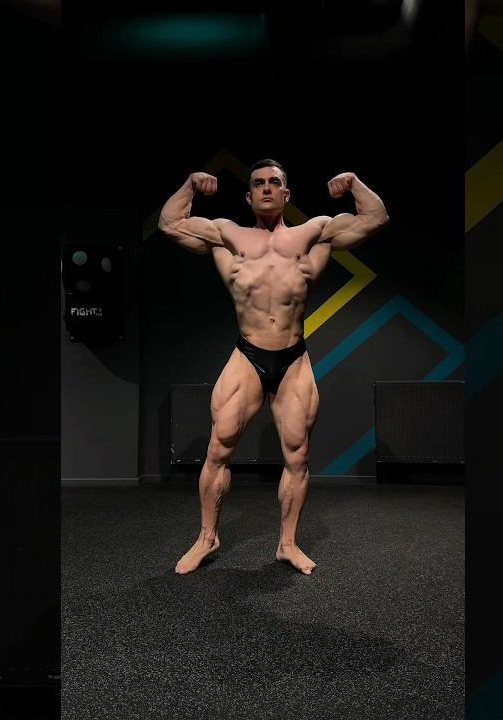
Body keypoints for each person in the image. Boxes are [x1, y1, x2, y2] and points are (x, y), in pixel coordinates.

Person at [156, 159, 388, 575]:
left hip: (293, 358)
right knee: (218, 448)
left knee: (297, 455)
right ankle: (207, 538)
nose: (266, 188)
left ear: (286, 193)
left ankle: (288, 544)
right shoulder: (227, 235)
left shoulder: (313, 233)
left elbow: (375, 218)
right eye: (259, 183)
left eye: (274, 182)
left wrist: (354, 183)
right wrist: (190, 184)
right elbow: (170, 224)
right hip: (247, 354)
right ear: (248, 196)